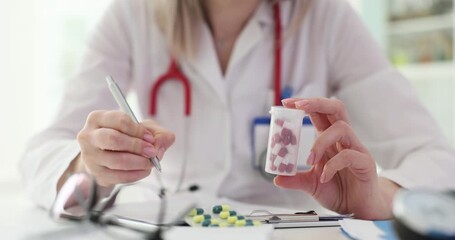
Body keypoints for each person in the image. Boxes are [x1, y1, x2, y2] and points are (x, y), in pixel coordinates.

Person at [20, 0, 455, 220]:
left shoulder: (327, 17)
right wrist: (92, 162)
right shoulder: (133, 15)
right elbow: (41, 155)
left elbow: (439, 162)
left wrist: (376, 197)